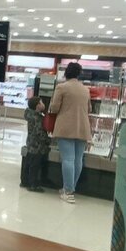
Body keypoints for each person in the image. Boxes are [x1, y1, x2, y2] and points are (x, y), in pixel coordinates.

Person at [48, 61, 92, 203]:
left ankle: (68, 191)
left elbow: (54, 108)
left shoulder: (61, 87)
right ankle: (70, 189)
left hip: (66, 127)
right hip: (83, 127)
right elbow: (89, 109)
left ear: (66, 72)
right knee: (78, 159)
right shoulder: (85, 89)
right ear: (79, 74)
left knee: (68, 159)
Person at [22, 96, 50, 192]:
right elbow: (39, 132)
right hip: (37, 145)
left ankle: (24, 181)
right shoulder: (37, 118)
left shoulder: (30, 114)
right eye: (41, 102)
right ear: (38, 106)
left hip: (31, 143)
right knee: (35, 165)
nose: (43, 104)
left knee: (29, 163)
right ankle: (33, 185)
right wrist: (48, 140)